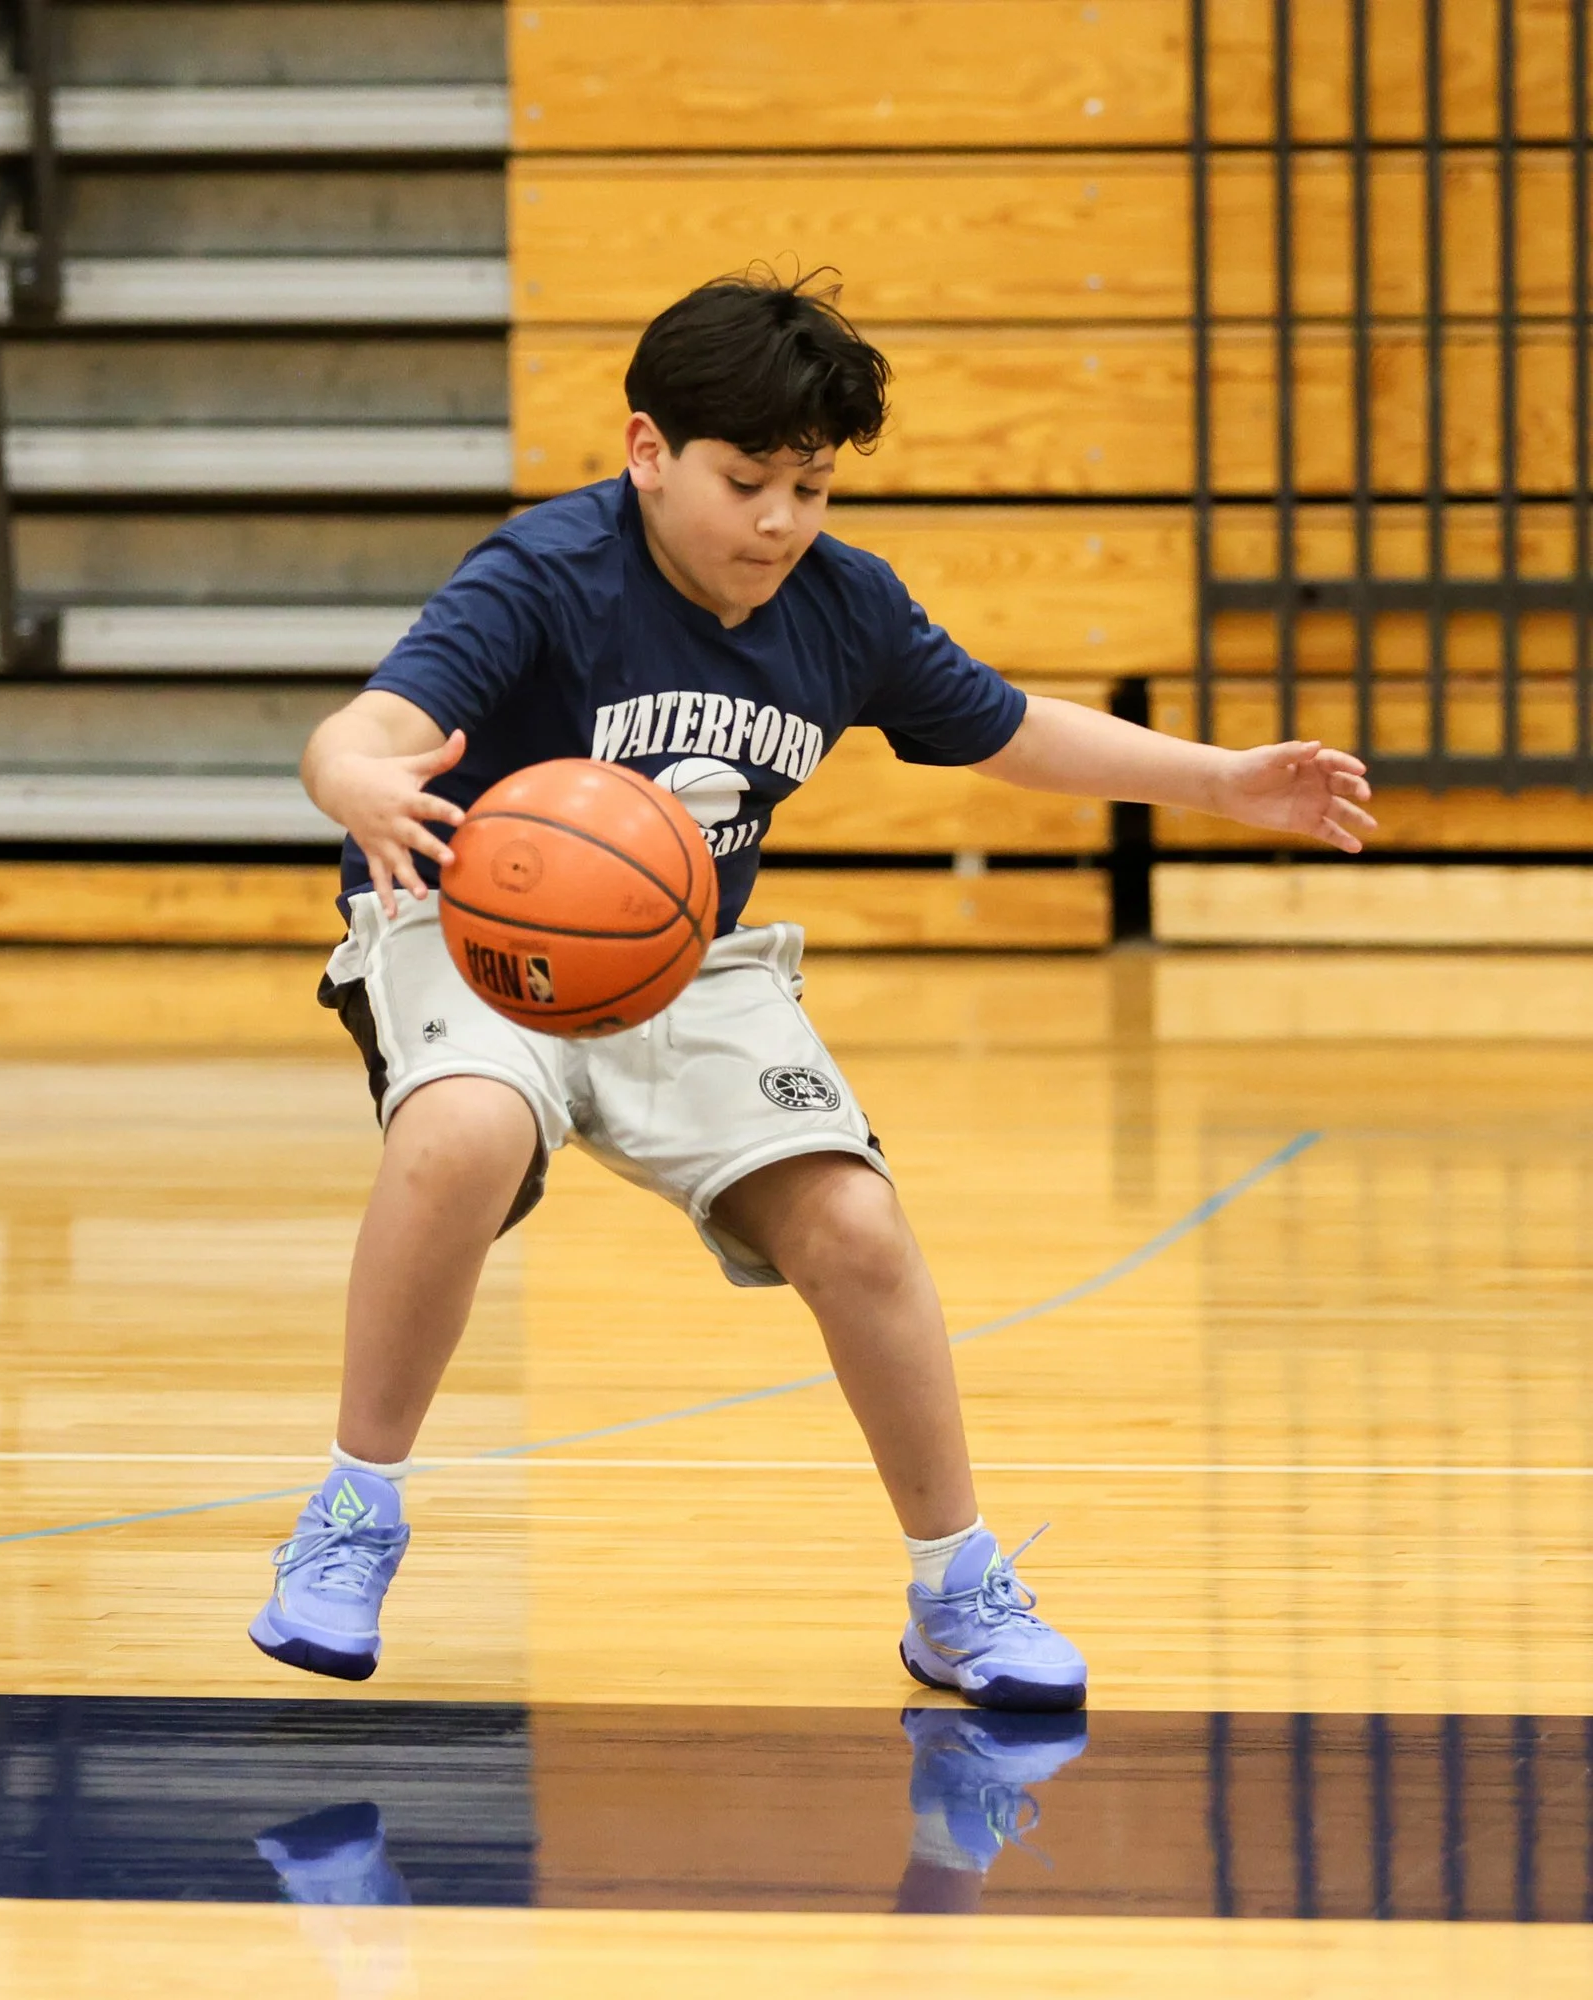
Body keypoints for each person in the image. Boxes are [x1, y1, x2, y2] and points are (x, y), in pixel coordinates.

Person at [251, 274, 1376, 1711]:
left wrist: (1220, 781)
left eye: (811, 486)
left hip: (683, 959)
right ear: (647, 450)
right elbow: (374, 727)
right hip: (471, 927)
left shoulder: (841, 607)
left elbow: (1010, 730)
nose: (778, 521)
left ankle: (957, 1586)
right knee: (462, 1132)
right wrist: (348, 775)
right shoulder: (546, 573)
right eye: (745, 482)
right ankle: (357, 1511)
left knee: (856, 1224)